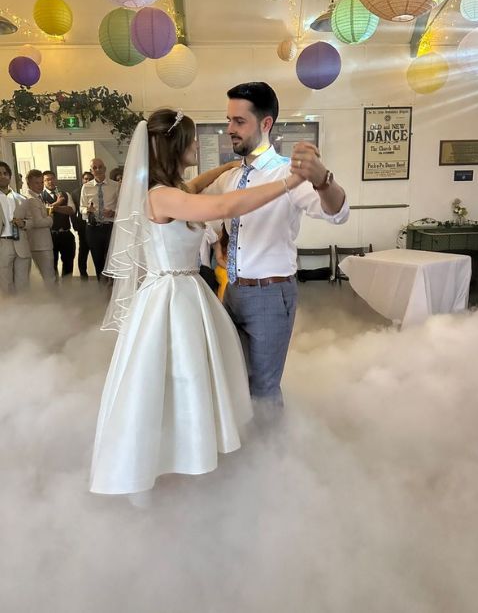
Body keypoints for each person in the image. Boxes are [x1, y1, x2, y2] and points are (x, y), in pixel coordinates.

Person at [90, 108, 314, 497]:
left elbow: (200, 187)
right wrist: (290, 181)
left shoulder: (174, 191)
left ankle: (195, 451)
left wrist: (231, 169)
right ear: (176, 145)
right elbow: (224, 208)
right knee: (172, 380)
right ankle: (164, 462)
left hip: (186, 293)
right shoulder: (162, 197)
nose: (198, 143)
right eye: (192, 138)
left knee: (192, 379)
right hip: (171, 298)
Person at [202, 82, 349, 406]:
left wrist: (323, 178)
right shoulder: (229, 178)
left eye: (239, 121)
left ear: (265, 124)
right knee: (235, 379)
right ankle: (248, 448)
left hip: (270, 294)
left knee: (265, 389)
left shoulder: (288, 174)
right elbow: (205, 222)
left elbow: (338, 213)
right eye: (229, 120)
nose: (230, 129)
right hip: (234, 292)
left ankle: (272, 455)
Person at [79, 159, 120, 284]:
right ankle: (101, 288)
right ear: (91, 170)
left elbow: (122, 205)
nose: (98, 170)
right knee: (97, 260)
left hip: (110, 226)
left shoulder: (115, 185)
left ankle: (112, 287)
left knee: (112, 258)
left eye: (100, 167)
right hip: (93, 228)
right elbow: (81, 207)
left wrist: (113, 212)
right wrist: (88, 210)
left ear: (105, 168)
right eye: (94, 168)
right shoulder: (86, 187)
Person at [18, 170, 56, 286]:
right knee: (49, 277)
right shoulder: (32, 199)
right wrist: (50, 218)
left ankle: (51, 300)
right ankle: (53, 302)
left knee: (48, 276)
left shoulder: (36, 197)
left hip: (41, 243)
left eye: (41, 182)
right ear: (29, 184)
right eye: (36, 183)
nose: (40, 185)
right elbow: (37, 222)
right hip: (40, 244)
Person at [0, 162, 31, 294]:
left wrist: (24, 224)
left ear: (10, 176)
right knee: (5, 283)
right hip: (3, 243)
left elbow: (32, 221)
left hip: (21, 242)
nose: (2, 176)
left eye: (5, 173)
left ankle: (23, 311)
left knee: (23, 283)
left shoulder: (22, 199)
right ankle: (8, 312)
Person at [40, 170, 77, 278]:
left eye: (52, 179)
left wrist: (53, 207)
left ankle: (67, 289)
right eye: (47, 180)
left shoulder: (65, 194)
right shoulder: (40, 196)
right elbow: (43, 213)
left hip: (66, 234)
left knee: (68, 263)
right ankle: (54, 291)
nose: (50, 181)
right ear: (43, 182)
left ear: (55, 179)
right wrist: (59, 203)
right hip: (50, 235)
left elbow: (71, 210)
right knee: (52, 265)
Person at [70, 170, 93, 279]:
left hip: (95, 225)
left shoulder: (96, 189)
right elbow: (74, 211)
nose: (87, 180)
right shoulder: (76, 192)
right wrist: (75, 225)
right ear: (82, 180)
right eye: (85, 179)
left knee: (96, 251)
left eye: (89, 179)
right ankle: (83, 275)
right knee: (83, 250)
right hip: (82, 226)